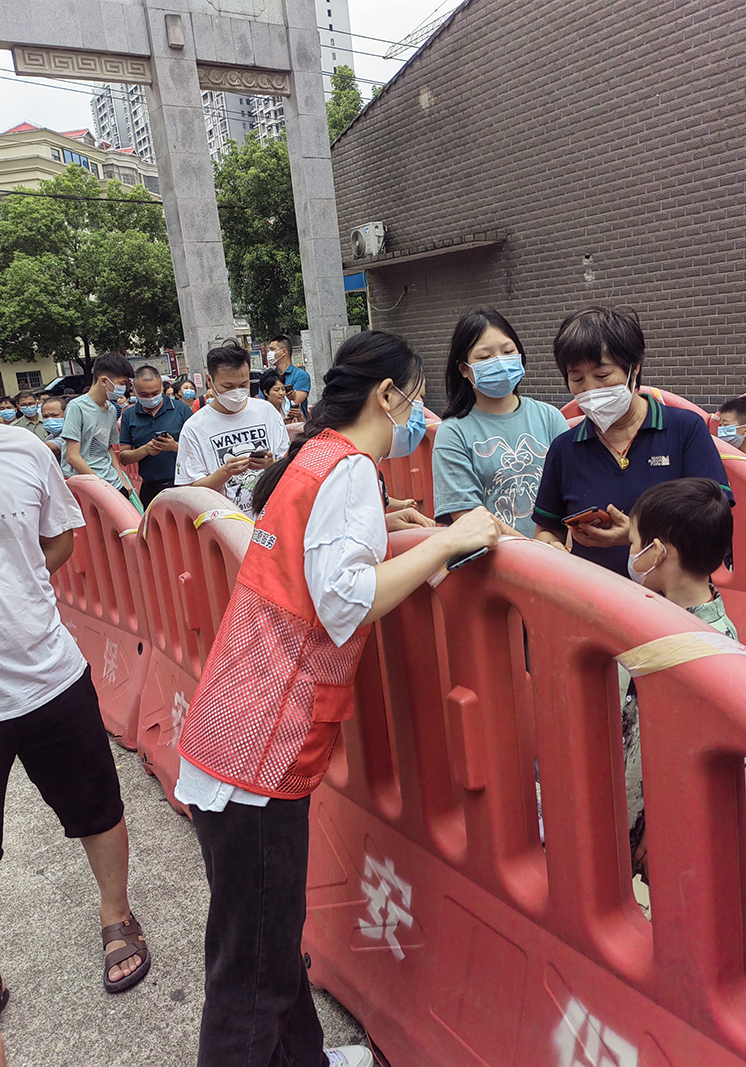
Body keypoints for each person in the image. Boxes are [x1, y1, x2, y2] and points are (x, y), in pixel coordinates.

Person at [174, 330, 500, 1067]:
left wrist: (385, 526)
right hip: (260, 755)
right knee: (250, 979)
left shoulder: (315, 455)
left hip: (230, 733)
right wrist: (447, 542)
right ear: (387, 395)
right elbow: (344, 598)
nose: (417, 417)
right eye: (415, 400)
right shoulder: (349, 466)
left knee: (267, 942)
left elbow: (315, 554)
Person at [0, 428, 151, 995]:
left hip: (48, 673)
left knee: (95, 803)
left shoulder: (23, 451)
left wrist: (19, 590)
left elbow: (60, 539)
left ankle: (117, 913)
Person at [624, 478, 746, 924]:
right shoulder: (699, 614)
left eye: (634, 542)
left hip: (664, 814)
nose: (630, 553)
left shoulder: (689, 646)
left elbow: (702, 756)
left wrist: (655, 827)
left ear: (658, 553)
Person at [533, 306, 733, 575]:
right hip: (591, 593)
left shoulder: (684, 430)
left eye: (602, 376)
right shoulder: (564, 449)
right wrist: (550, 548)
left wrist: (635, 534)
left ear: (634, 368)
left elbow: (716, 524)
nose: (590, 389)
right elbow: (547, 530)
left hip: (672, 594)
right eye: (577, 378)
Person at [433, 307, 570, 536]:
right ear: (464, 369)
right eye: (485, 357)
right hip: (498, 556)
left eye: (508, 351)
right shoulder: (453, 433)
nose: (500, 362)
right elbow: (469, 521)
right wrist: (534, 550)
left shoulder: (549, 417)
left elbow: (574, 491)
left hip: (557, 553)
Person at [175, 344, 289, 517]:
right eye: (227, 386)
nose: (236, 393)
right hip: (225, 525)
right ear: (209, 380)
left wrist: (271, 466)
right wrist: (225, 472)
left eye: (243, 384)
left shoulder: (267, 412)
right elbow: (190, 493)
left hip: (271, 518)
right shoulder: (194, 428)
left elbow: (289, 467)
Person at [61, 352, 136, 496]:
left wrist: (121, 478)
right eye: (122, 383)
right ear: (104, 381)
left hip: (111, 481)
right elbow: (72, 457)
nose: (124, 389)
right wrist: (100, 486)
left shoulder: (111, 409)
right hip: (87, 485)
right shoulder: (77, 407)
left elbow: (108, 447)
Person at [119, 365, 192, 508]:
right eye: (144, 394)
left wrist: (175, 447)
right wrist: (145, 450)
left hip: (183, 485)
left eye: (155, 393)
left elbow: (198, 449)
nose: (151, 398)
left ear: (162, 387)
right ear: (134, 389)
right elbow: (124, 457)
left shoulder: (181, 409)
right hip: (150, 489)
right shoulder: (129, 415)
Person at [262, 335, 311, 419]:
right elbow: (262, 404)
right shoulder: (268, 376)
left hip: (295, 424)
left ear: (283, 352)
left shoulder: (301, 376)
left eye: (272, 349)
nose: (269, 353)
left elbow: (292, 404)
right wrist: (286, 398)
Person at [41, 395, 68, 461]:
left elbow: (51, 446)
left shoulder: (70, 434)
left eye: (55, 415)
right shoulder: (49, 438)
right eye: (45, 416)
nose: (50, 419)